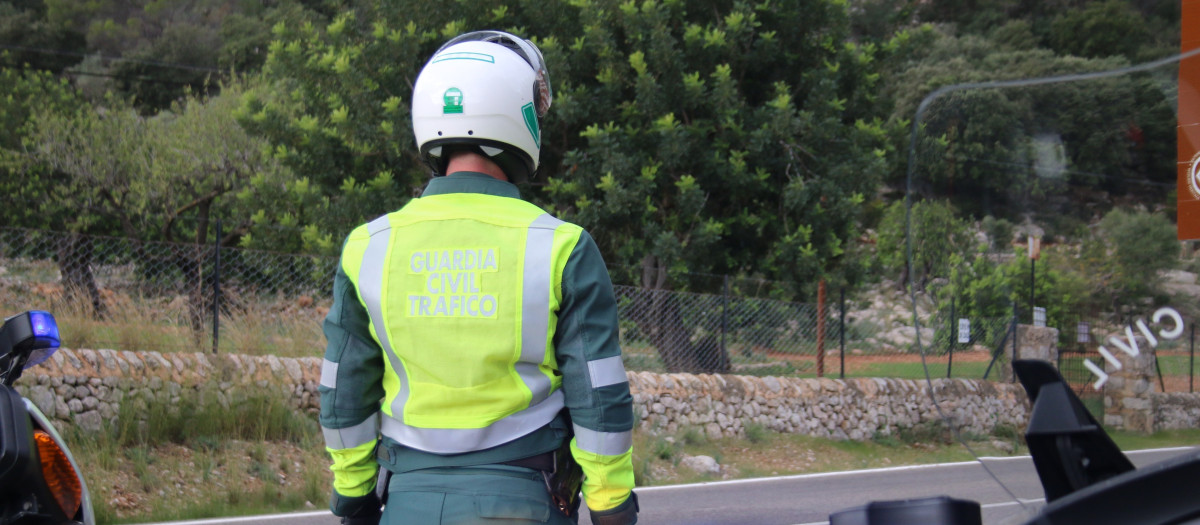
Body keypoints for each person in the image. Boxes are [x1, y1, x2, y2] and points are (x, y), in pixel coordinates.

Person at [318, 30, 638, 525]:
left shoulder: (369, 246)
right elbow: (597, 392)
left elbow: (343, 390)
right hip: (525, 501)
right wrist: (611, 505)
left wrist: (354, 496)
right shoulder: (561, 246)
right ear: (517, 116)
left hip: (406, 503)